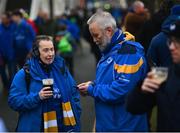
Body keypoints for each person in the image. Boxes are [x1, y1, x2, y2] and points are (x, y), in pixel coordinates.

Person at [77, 11, 148, 132]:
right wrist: (93, 84)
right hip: (111, 124)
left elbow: (122, 89)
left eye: (96, 35)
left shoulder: (128, 53)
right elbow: (112, 79)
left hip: (124, 127)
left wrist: (92, 89)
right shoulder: (112, 49)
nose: (94, 40)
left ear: (109, 31)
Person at [8, 35, 81, 132]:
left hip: (64, 127)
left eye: (52, 49)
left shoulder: (61, 69)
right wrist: (37, 97)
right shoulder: (25, 73)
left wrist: (77, 112)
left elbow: (74, 93)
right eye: (46, 50)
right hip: (38, 128)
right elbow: (14, 101)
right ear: (36, 52)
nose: (50, 54)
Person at [126, 20, 180, 131]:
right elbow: (132, 107)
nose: (171, 47)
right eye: (171, 41)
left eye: (177, 42)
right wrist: (141, 91)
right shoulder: (161, 74)